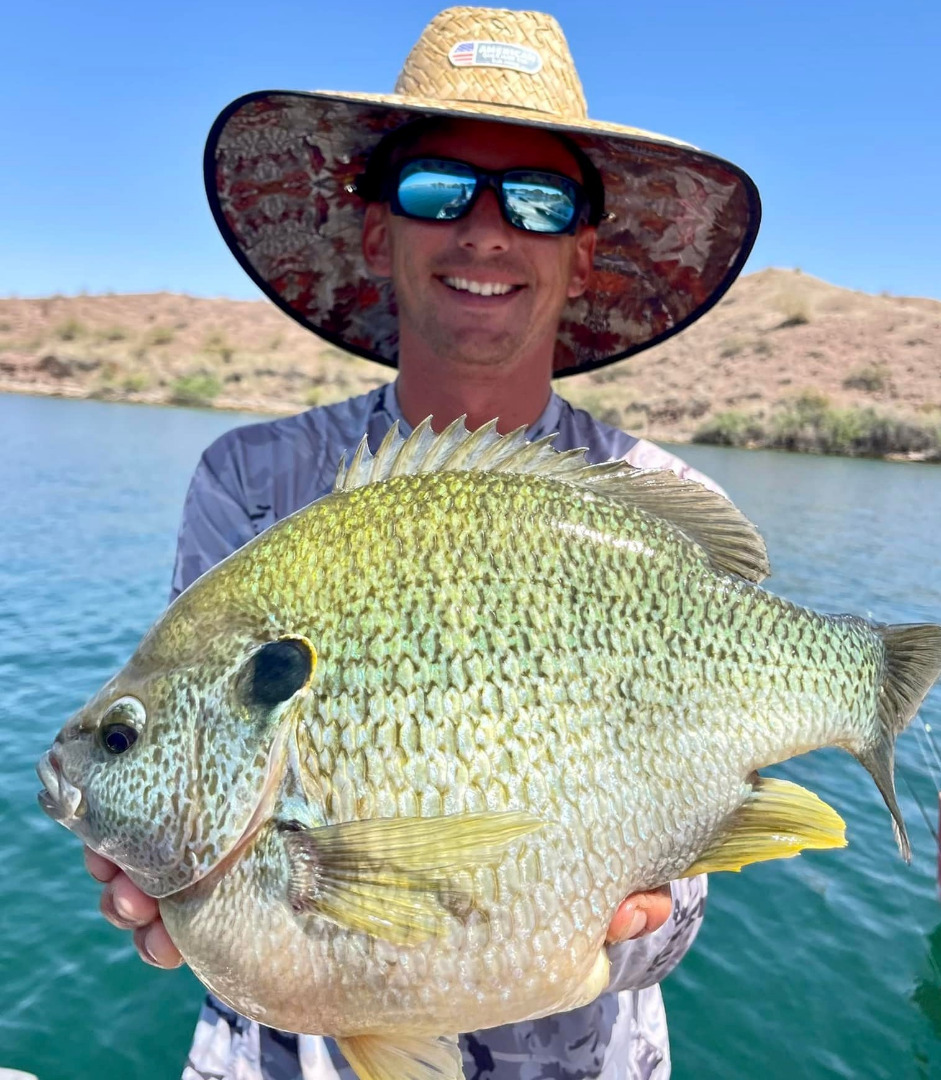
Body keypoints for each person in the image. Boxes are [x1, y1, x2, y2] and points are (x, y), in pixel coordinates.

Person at [84, 7, 760, 1079]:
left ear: (581, 256)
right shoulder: (251, 488)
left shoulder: (653, 505)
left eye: (538, 201)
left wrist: (645, 916)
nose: (485, 230)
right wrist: (180, 892)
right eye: (436, 188)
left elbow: (680, 917)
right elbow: (209, 806)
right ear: (374, 232)